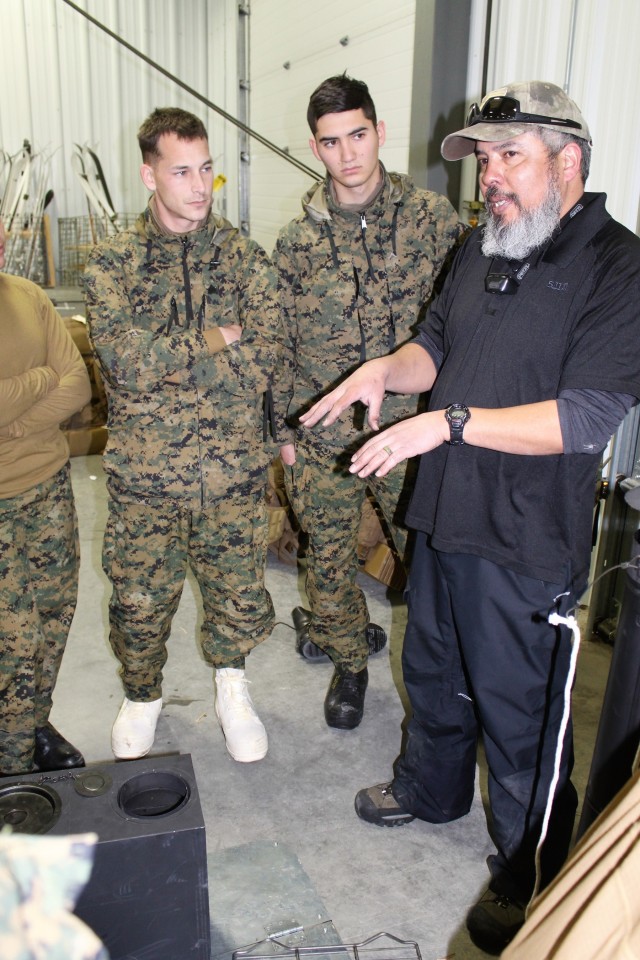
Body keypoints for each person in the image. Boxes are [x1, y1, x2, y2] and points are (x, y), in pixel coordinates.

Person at [300, 80, 640, 953]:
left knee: (523, 718)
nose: (489, 176)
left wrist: (445, 422)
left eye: (509, 156)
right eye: (483, 159)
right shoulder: (481, 244)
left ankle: (532, 869)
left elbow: (586, 418)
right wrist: (383, 371)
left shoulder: (618, 265)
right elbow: (436, 346)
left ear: (568, 160)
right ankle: (431, 789)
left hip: (527, 543)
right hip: (443, 514)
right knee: (434, 673)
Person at [83, 107, 282, 764]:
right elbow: (123, 363)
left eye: (207, 169)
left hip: (230, 474)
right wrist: (216, 340)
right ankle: (142, 694)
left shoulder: (244, 258)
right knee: (138, 597)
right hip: (144, 479)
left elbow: (267, 358)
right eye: (182, 171)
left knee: (236, 589)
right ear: (149, 174)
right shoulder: (113, 264)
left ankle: (231, 686)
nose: (200, 186)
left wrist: (172, 366)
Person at [273, 75, 464, 729]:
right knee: (325, 556)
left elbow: (461, 327)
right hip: (324, 433)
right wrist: (284, 431)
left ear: (380, 132)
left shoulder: (432, 221)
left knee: (428, 555)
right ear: (314, 147)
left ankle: (442, 680)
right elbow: (276, 343)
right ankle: (350, 662)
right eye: (332, 142)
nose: (348, 154)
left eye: (358, 135)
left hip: (407, 430)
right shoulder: (296, 243)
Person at [0, 216, 91, 777]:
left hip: (49, 485)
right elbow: (53, 383)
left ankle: (32, 721)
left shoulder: (28, 296)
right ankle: (10, 763)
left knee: (55, 612)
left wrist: (12, 421)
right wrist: (38, 382)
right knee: (13, 634)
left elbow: (78, 382)